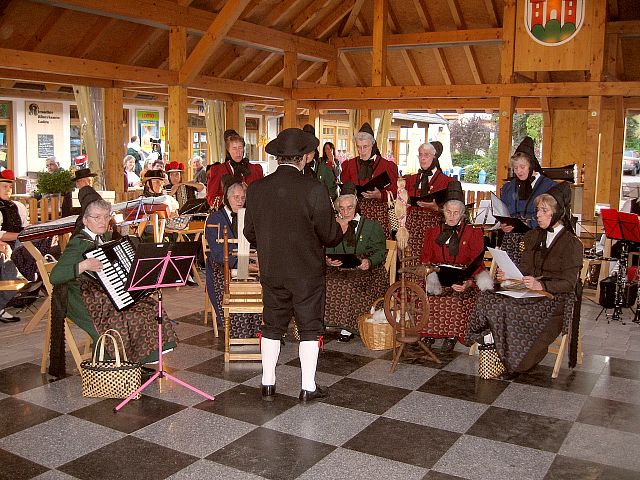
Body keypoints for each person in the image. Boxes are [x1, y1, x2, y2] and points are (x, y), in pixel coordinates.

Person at [244, 128, 343, 402]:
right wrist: (341, 229)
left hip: (272, 270)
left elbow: (249, 234)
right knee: (310, 327)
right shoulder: (313, 188)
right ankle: (308, 387)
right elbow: (329, 235)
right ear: (303, 158)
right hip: (306, 272)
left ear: (278, 157)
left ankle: (267, 383)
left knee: (272, 325)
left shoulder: (256, 188)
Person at [49, 188, 177, 376]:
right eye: (97, 217)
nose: (102, 221)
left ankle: (133, 363)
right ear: (85, 220)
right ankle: (114, 370)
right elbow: (56, 276)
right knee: (118, 318)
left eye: (106, 216)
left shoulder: (106, 237)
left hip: (102, 294)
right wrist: (84, 265)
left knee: (146, 307)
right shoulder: (79, 242)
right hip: (79, 297)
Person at [465, 182, 583, 378]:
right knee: (489, 297)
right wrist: (510, 276)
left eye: (544, 211)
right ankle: (494, 345)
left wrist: (541, 284)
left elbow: (569, 283)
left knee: (508, 308)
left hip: (553, 299)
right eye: (538, 210)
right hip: (529, 291)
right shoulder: (533, 236)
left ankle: (516, 361)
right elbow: (525, 271)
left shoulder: (572, 244)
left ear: (557, 213)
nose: (538, 215)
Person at [419, 180, 492, 352]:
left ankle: (452, 335)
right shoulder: (433, 232)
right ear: (443, 212)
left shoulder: (473, 232)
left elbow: (477, 264)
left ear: (462, 214)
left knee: (455, 299)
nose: (452, 216)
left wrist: (468, 283)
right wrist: (431, 274)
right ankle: (429, 333)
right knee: (431, 295)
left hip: (463, 280)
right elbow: (425, 259)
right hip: (440, 277)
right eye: (448, 212)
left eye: (456, 213)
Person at [324, 188, 387, 342]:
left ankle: (347, 326)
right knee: (323, 281)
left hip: (368, 270)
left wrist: (369, 262)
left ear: (356, 206)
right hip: (340, 267)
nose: (346, 212)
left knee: (350, 284)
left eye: (349, 207)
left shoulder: (372, 226)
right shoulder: (334, 227)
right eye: (342, 208)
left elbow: (380, 251)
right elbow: (327, 249)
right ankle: (326, 322)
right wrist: (328, 260)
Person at [205, 180, 259, 335]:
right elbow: (217, 253)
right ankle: (239, 330)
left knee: (265, 281)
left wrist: (255, 260)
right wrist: (241, 265)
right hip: (222, 266)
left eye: (243, 198)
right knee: (230, 285)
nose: (240, 201)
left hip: (246, 262)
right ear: (227, 199)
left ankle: (260, 330)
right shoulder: (215, 219)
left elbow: (255, 244)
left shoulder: (249, 216)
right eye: (236, 197)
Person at [499, 136, 555, 265]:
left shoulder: (548, 186)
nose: (519, 171)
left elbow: (552, 216)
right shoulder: (508, 187)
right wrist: (503, 225)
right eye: (516, 168)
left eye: (522, 167)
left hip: (537, 242)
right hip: (510, 241)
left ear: (531, 165)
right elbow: (503, 213)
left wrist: (529, 223)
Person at [340, 122, 398, 202]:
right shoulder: (350, 165)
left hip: (379, 211)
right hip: (356, 211)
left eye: (365, 147)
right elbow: (344, 189)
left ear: (372, 145)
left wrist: (380, 195)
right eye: (359, 147)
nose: (362, 151)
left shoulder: (386, 166)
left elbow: (395, 194)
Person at [206, 131, 263, 208]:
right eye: (234, 148)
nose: (238, 152)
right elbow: (211, 198)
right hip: (227, 216)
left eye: (240, 148)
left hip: (250, 214)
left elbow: (261, 194)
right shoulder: (218, 170)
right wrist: (228, 201)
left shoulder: (255, 169)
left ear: (243, 149)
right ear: (228, 151)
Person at [0, 170, 28, 322]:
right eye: (4, 186)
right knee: (8, 261)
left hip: (16, 243)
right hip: (7, 245)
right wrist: (21, 237)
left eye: (10, 187)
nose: (8, 190)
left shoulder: (17, 206)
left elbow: (23, 228)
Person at [404, 142, 454, 210]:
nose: (422, 158)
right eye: (420, 155)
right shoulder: (410, 180)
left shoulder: (447, 182)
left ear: (434, 157)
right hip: (411, 220)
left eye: (426, 155)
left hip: (435, 220)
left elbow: (455, 212)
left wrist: (437, 208)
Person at [302, 124, 338, 201]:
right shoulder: (320, 160)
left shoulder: (335, 161)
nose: (327, 151)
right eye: (326, 149)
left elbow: (338, 175)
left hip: (330, 191)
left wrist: (333, 162)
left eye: (329, 149)